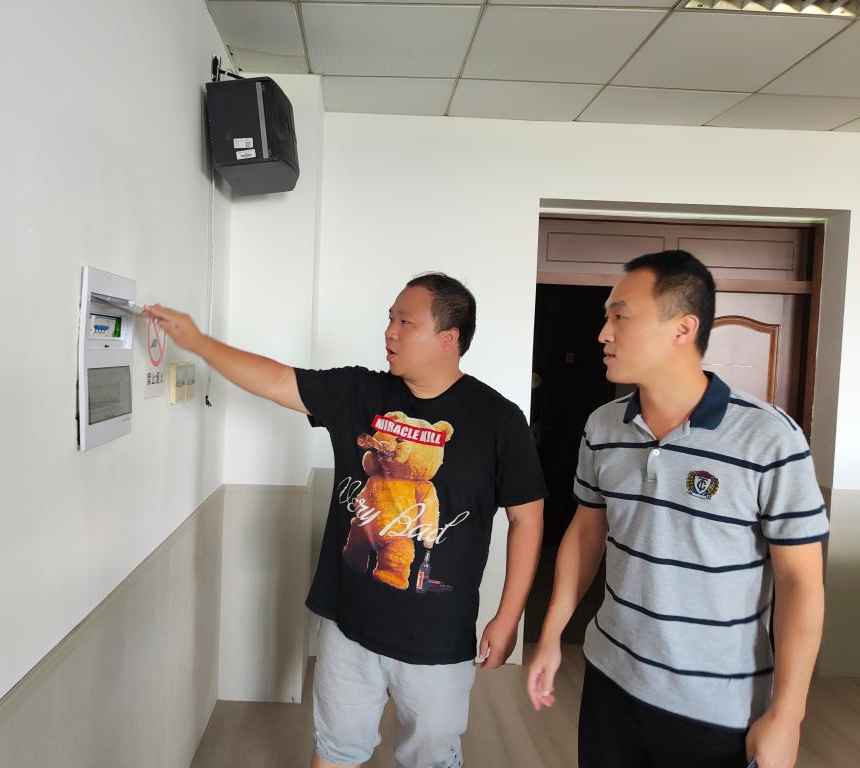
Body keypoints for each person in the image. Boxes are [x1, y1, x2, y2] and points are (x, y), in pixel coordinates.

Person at [148, 272, 546, 768]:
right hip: (348, 622)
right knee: (336, 749)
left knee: (433, 760)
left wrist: (508, 617)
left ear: (449, 338)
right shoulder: (360, 390)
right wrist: (199, 342)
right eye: (390, 319)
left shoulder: (498, 419)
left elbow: (527, 520)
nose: (390, 332)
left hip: (438, 638)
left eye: (405, 322)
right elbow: (277, 381)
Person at [525, 250, 828, 768]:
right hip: (610, 678)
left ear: (683, 328)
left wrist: (787, 714)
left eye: (620, 317)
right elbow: (586, 534)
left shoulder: (770, 438)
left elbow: (800, 582)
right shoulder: (603, 426)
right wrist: (551, 635)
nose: (603, 333)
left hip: (715, 705)